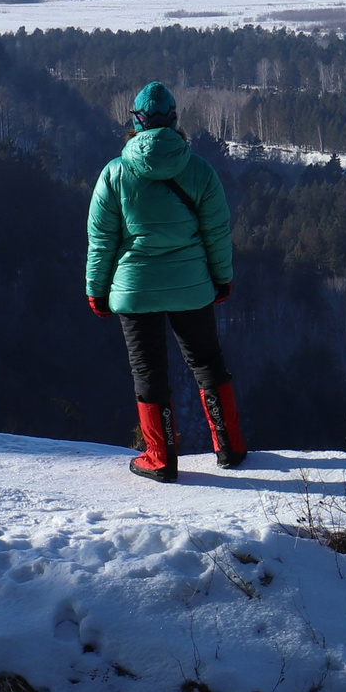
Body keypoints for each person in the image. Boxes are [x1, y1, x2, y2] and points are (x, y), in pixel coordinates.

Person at [86, 82, 247, 480]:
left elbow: (101, 240)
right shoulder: (199, 171)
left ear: (136, 122)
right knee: (208, 364)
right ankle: (229, 449)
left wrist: (96, 290)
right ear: (175, 120)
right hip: (191, 286)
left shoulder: (115, 174)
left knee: (148, 372)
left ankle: (159, 460)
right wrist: (221, 280)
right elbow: (216, 232)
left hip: (134, 288)